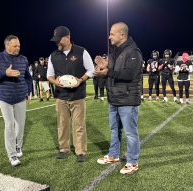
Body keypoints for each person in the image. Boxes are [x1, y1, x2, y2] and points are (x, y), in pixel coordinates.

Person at [94, 22, 143, 175]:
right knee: (115, 129)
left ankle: (132, 161)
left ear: (122, 35)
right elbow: (110, 70)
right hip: (114, 98)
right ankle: (114, 155)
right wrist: (103, 66)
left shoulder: (134, 52)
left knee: (130, 132)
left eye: (112, 33)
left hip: (127, 99)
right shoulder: (114, 52)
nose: (109, 36)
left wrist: (107, 71)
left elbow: (128, 75)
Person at [47, 26, 94, 162]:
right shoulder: (53, 55)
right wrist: (56, 82)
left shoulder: (81, 51)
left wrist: (81, 79)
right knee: (62, 124)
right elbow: (50, 75)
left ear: (67, 38)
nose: (57, 43)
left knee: (79, 124)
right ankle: (64, 148)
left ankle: (80, 151)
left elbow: (91, 70)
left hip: (77, 95)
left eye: (59, 40)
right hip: (61, 96)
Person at [0, 35, 32, 167]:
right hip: (4, 98)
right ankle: (12, 155)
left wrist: (28, 92)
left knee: (20, 125)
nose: (18, 48)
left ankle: (18, 147)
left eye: (19, 45)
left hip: (20, 97)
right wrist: (4, 73)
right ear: (7, 45)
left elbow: (28, 78)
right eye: (15, 46)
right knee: (9, 125)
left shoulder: (23, 59)